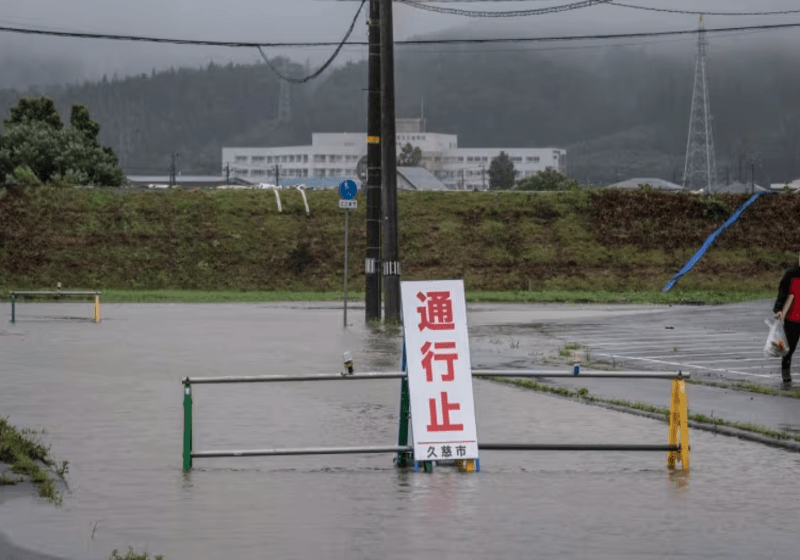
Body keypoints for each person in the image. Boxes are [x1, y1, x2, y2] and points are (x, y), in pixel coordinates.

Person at [773, 254, 800, 387]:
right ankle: (786, 371)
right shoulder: (791, 274)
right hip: (792, 318)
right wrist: (778, 309)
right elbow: (782, 292)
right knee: (789, 347)